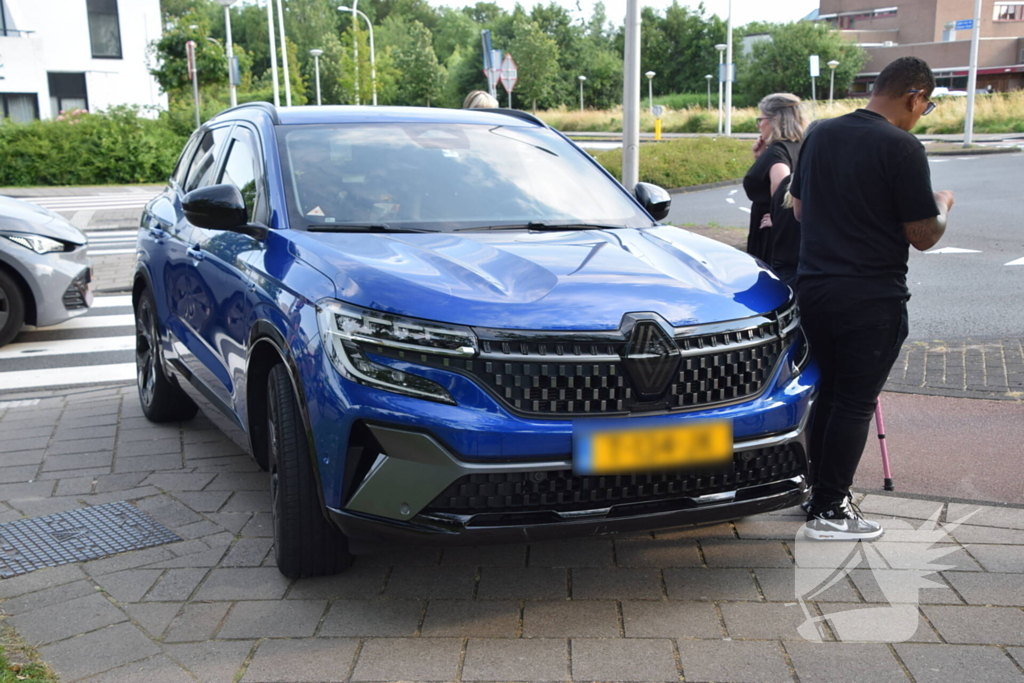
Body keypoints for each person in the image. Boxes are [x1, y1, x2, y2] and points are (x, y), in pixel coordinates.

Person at [790, 56, 954, 541]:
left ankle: (816, 495)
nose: (918, 116)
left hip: (815, 289)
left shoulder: (820, 133)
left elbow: (799, 209)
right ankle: (831, 512)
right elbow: (922, 235)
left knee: (829, 395)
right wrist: (942, 204)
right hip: (870, 295)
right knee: (855, 402)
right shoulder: (902, 146)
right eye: (923, 108)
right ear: (915, 97)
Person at [742, 93, 807, 262]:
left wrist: (777, 217)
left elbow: (783, 188)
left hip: (770, 233)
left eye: (760, 119)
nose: (759, 126)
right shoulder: (802, 146)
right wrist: (761, 159)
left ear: (774, 120)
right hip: (794, 233)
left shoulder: (777, 152)